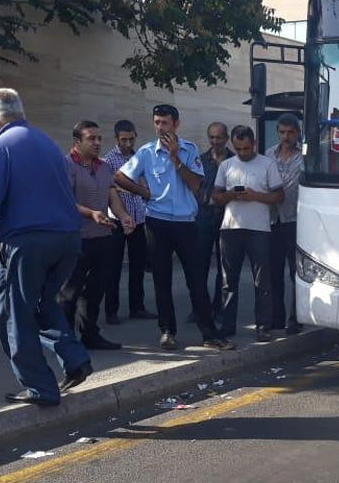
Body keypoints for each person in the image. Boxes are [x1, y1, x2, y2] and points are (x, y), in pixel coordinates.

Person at [0, 88, 92, 406]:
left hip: (28, 245)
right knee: (42, 305)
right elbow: (35, 201)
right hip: (67, 239)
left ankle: (39, 387)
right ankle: (75, 359)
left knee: (11, 316)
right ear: (21, 111)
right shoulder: (46, 143)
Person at [115, 104, 233, 351]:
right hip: (157, 223)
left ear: (176, 124)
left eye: (165, 123)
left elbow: (196, 186)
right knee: (161, 279)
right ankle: (167, 331)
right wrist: (143, 192)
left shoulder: (189, 150)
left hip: (186, 223)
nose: (160, 128)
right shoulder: (146, 152)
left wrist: (175, 157)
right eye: (157, 122)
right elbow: (120, 176)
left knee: (195, 279)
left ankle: (209, 333)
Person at [59, 120, 135, 350]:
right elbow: (64, 202)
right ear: (77, 142)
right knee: (69, 292)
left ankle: (90, 335)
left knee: (95, 291)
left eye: (99, 138)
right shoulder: (66, 165)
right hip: (75, 239)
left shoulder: (103, 166)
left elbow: (112, 195)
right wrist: (90, 213)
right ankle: (66, 341)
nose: (97, 142)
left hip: (102, 237)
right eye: (91, 138)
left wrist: (123, 216)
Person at [212, 125, 284, 342]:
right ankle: (227, 325)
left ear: (253, 143)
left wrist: (255, 196)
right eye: (238, 148)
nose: (242, 153)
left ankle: (263, 326)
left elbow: (279, 196)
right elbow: (215, 196)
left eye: (246, 148)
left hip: (259, 229)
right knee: (228, 281)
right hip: (230, 228)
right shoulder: (226, 165)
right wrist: (230, 195)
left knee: (262, 280)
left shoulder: (267, 164)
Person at [101, 119, 156, 324]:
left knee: (137, 265)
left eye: (131, 139)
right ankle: (111, 311)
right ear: (116, 139)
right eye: (123, 140)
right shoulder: (108, 160)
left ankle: (137, 307)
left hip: (139, 218)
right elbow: (109, 188)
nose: (128, 143)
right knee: (113, 267)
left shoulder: (139, 157)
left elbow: (144, 184)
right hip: (116, 220)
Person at [187, 121, 233, 324]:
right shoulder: (200, 160)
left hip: (227, 217)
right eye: (212, 137)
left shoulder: (234, 160)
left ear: (226, 138)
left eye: (219, 137)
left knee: (224, 268)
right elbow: (193, 186)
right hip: (204, 218)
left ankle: (219, 308)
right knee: (199, 266)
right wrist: (207, 198)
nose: (215, 141)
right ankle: (199, 309)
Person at [266, 113, 304, 335]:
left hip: (296, 219)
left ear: (297, 133)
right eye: (282, 132)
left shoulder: (306, 154)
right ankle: (276, 317)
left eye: (290, 132)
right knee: (273, 272)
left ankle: (295, 317)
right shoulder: (269, 154)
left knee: (295, 272)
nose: (286, 136)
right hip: (273, 219)